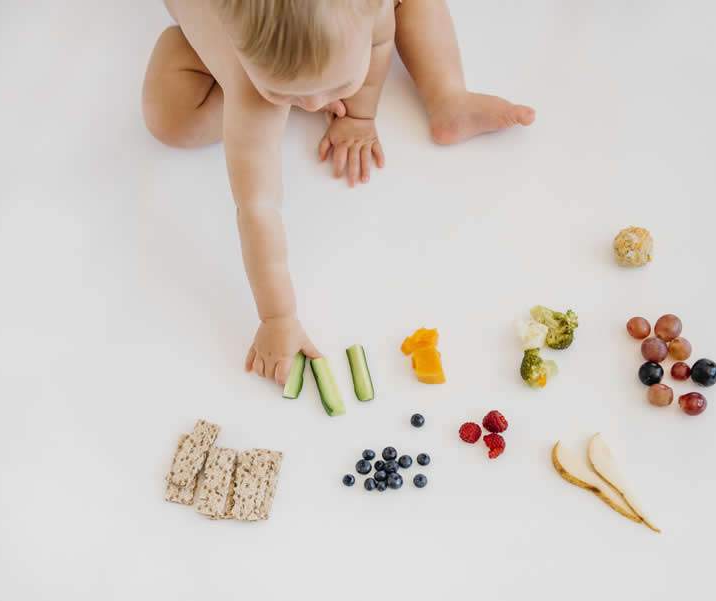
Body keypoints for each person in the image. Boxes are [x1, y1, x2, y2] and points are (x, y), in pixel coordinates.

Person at [142, 0, 535, 385]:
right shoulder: (249, 91)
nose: (316, 105)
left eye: (335, 86)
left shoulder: (373, 11)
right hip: (222, 46)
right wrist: (277, 317)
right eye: (288, 92)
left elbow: (380, 42)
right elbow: (256, 208)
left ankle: (448, 96)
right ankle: (239, 66)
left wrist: (361, 114)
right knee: (170, 121)